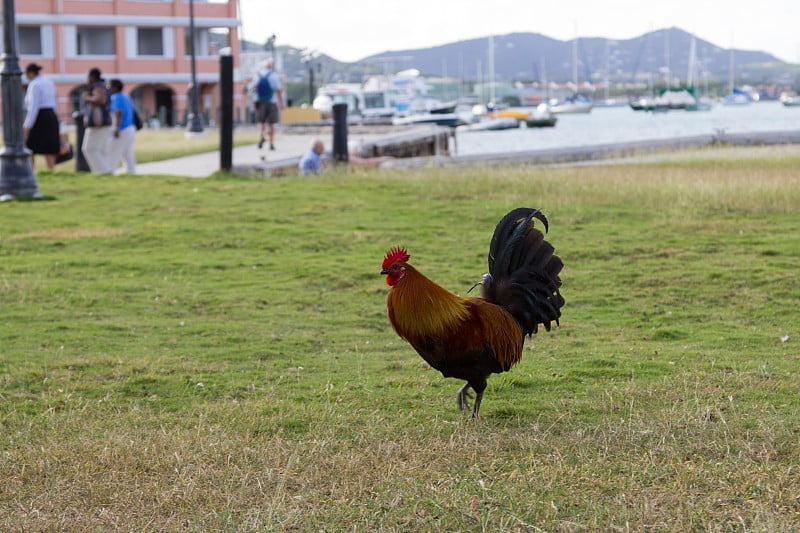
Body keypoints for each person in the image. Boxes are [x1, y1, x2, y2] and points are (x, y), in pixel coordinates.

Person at [23, 63, 60, 170]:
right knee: (50, 146)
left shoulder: (34, 84)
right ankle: (51, 169)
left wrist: (27, 125)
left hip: (40, 117)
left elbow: (33, 106)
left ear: (31, 73)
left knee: (30, 145)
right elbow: (55, 101)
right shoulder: (49, 82)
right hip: (51, 115)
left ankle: (31, 170)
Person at [81, 67, 112, 174]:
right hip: (105, 122)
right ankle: (104, 171)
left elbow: (100, 99)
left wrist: (87, 97)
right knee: (100, 150)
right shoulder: (104, 85)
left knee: (89, 149)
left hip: (97, 123)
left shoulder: (97, 86)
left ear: (92, 77)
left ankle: (103, 171)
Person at [248, 59, 283, 150]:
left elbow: (251, 88)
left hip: (259, 101)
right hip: (271, 101)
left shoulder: (257, 75)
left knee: (261, 122)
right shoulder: (274, 76)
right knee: (271, 123)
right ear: (271, 66)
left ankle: (261, 136)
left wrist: (254, 101)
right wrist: (281, 103)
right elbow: (278, 90)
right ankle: (271, 143)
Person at [106, 79, 137, 173]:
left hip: (121, 129)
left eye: (109, 86)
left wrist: (116, 128)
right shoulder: (127, 97)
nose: (108, 88)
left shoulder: (115, 98)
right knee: (127, 153)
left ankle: (109, 172)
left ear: (115, 87)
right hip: (130, 128)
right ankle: (131, 172)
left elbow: (118, 113)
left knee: (113, 152)